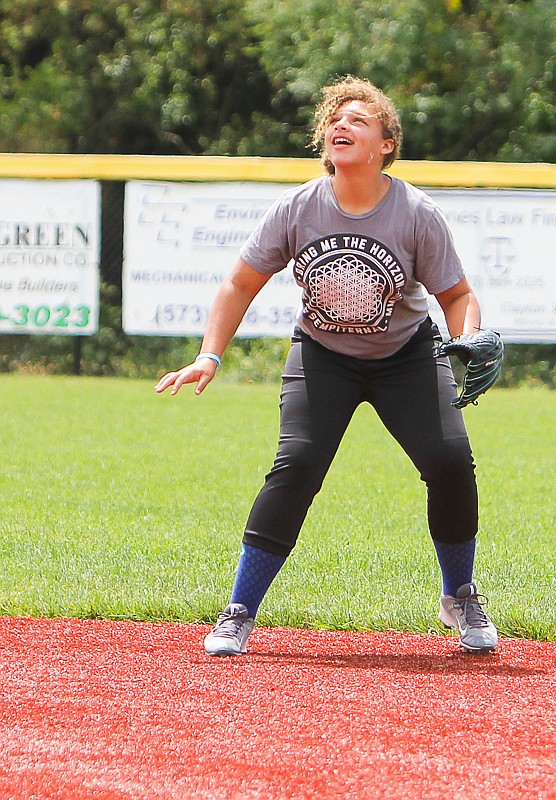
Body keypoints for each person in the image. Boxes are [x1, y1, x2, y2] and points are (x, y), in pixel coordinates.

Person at [155, 76, 498, 656]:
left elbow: (457, 296)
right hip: (322, 355)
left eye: (359, 120)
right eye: (334, 120)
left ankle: (460, 593)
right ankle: (239, 609)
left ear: (386, 143)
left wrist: (468, 338)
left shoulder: (416, 212)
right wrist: (209, 354)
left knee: (448, 459)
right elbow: (240, 282)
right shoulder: (299, 207)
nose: (341, 125)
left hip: (406, 356)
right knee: (298, 465)